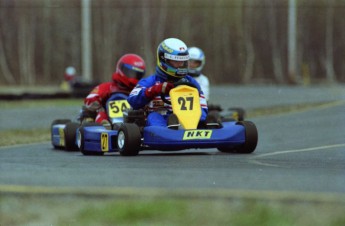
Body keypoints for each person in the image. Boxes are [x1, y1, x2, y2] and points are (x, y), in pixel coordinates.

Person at [127, 38, 208, 128]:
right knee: (154, 116)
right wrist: (155, 90)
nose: (180, 65)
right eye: (176, 61)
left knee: (207, 118)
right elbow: (132, 100)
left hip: (188, 122)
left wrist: (201, 120)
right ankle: (168, 132)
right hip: (160, 122)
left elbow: (202, 106)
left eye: (182, 61)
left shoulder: (191, 82)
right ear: (164, 60)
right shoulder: (150, 82)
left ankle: (200, 131)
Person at [79, 54, 146, 128]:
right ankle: (104, 125)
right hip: (108, 120)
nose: (134, 77)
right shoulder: (107, 87)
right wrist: (100, 98)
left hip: (133, 124)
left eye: (137, 74)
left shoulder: (140, 89)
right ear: (122, 69)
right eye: (131, 73)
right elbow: (89, 101)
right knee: (99, 111)